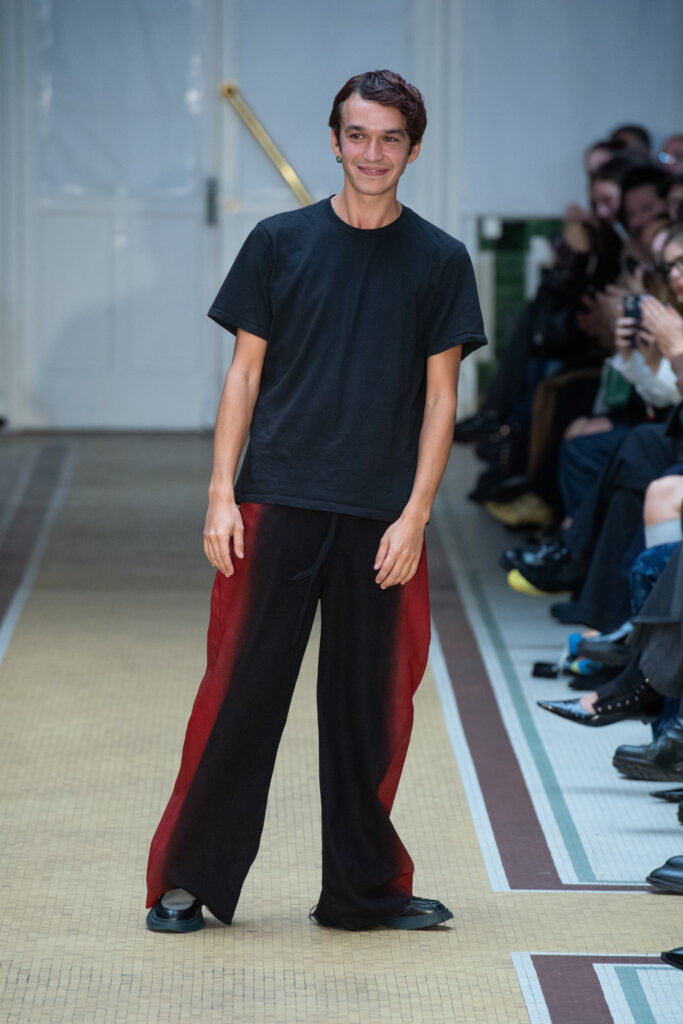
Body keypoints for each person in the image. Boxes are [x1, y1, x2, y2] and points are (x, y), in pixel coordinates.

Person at [144, 70, 487, 934]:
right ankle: (187, 881)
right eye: (357, 135)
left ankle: (362, 891)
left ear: (413, 148)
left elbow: (441, 399)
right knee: (237, 695)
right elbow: (243, 375)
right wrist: (220, 494)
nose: (372, 153)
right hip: (276, 498)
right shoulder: (277, 242)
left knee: (372, 708)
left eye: (390, 138)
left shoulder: (440, 260)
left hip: (380, 516)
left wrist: (415, 515)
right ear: (334, 142)